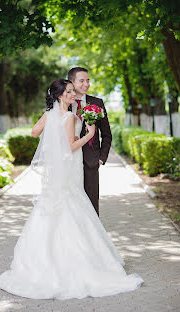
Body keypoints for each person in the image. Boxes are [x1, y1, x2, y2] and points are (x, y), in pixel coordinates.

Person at [0, 79, 143, 300]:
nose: (74, 94)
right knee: (73, 207)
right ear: (60, 96)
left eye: (73, 91)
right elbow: (71, 146)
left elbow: (35, 133)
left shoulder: (49, 114)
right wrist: (88, 136)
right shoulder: (70, 116)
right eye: (70, 91)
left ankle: (40, 262)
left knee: (53, 209)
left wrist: (56, 135)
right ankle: (79, 262)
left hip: (57, 169)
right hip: (69, 167)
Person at [68, 67, 112, 216]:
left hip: (91, 161)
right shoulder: (65, 104)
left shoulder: (97, 103)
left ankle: (93, 237)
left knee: (91, 202)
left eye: (88, 80)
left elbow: (107, 135)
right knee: (70, 201)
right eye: (81, 81)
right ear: (72, 83)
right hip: (68, 160)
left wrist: (101, 158)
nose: (86, 84)